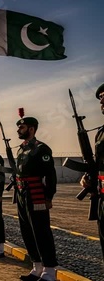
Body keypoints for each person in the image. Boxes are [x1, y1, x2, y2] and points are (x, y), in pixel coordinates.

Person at [15, 115, 58, 281]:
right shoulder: (21, 149)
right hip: (21, 194)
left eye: (22, 127)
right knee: (27, 231)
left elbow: (50, 175)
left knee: (41, 231)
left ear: (31, 129)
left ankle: (49, 270)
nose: (19, 130)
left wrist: (49, 197)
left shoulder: (41, 149)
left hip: (36, 194)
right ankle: (37, 266)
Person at [80, 83, 104, 261]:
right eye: (101, 97)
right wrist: (88, 176)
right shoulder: (100, 133)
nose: (102, 100)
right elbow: (97, 163)